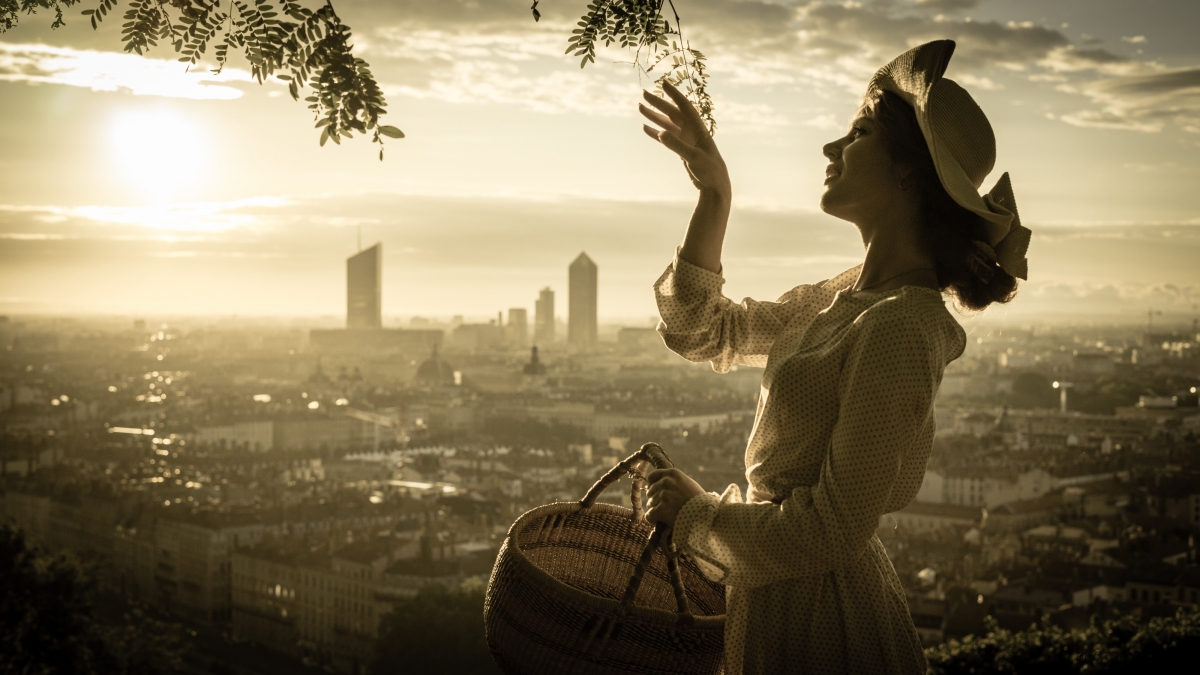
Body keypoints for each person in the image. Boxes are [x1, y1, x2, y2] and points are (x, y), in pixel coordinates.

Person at [640, 40, 1031, 675]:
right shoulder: (845, 299)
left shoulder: (902, 325)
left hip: (818, 615)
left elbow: (833, 531)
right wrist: (715, 196)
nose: (830, 149)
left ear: (909, 170)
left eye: (859, 133)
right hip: (780, 593)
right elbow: (701, 328)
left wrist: (697, 518)